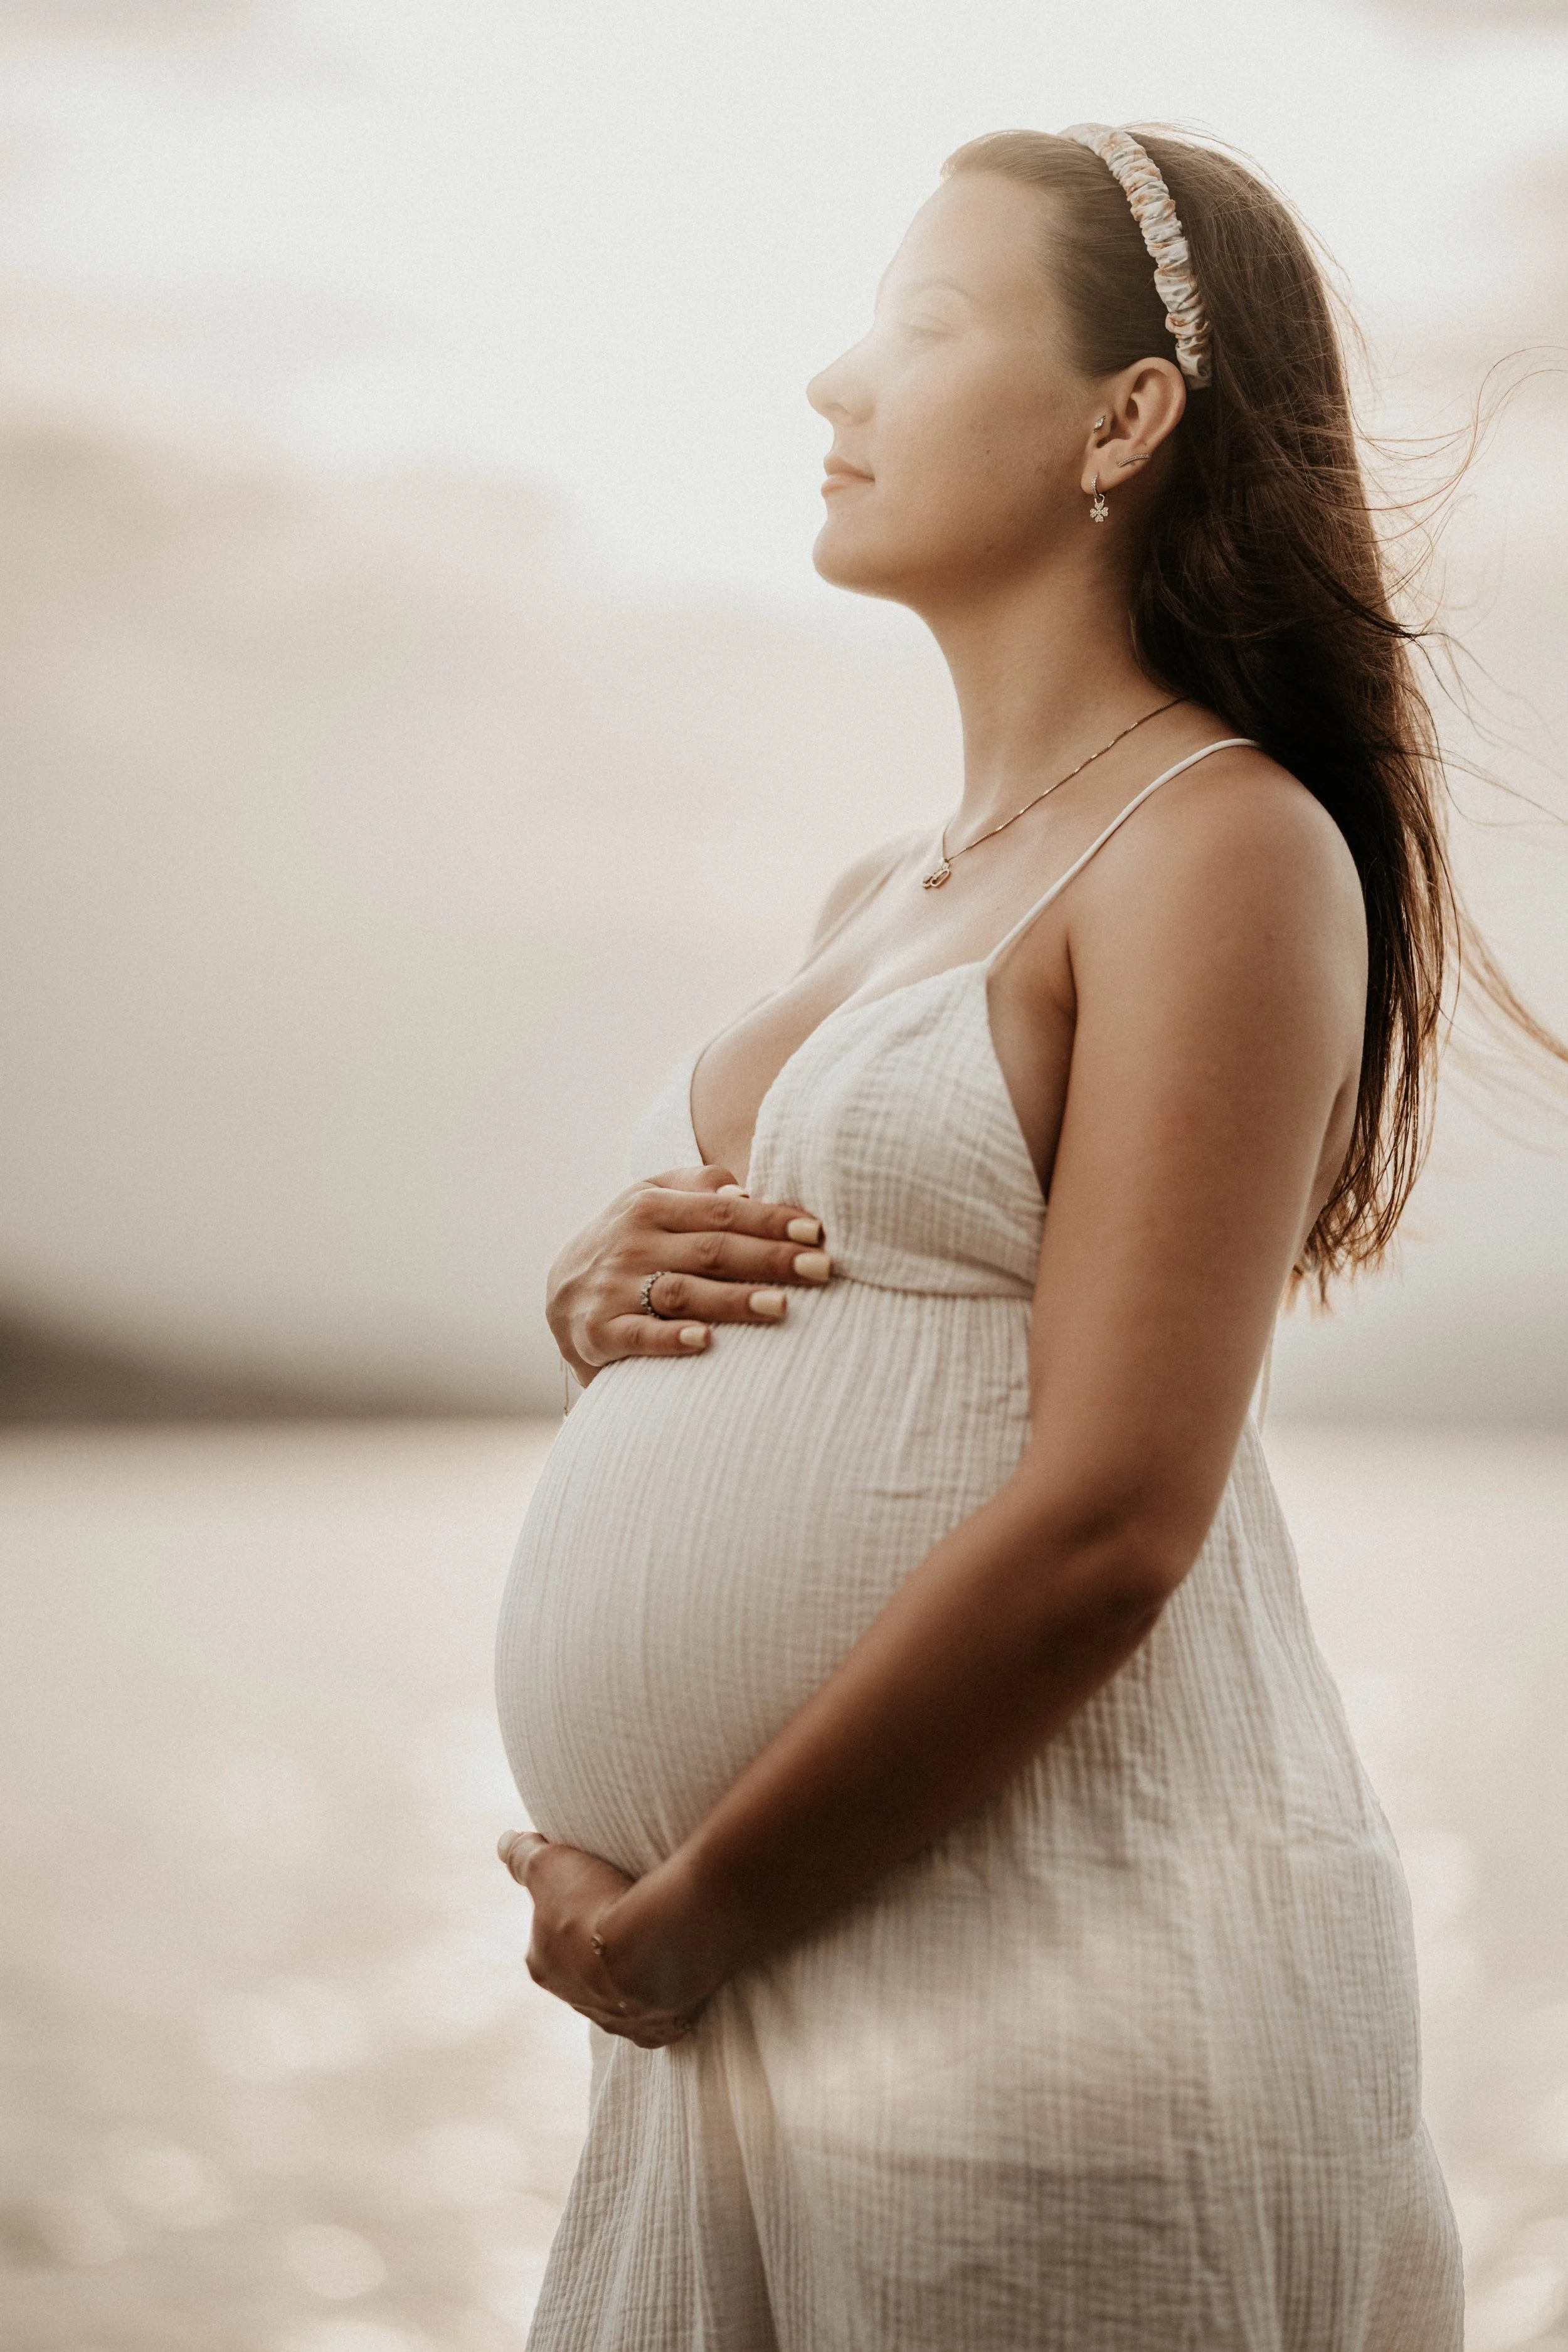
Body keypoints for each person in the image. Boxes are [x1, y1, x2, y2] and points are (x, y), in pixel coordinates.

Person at [492, 124, 1479, 2348]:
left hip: (1049, 1992)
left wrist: (703, 1911)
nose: (836, 384)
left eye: (923, 326)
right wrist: (595, 1296)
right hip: (762, 2013)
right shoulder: (882, 893)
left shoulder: (1219, 846)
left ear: (1126, 416)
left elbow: (1115, 1516)